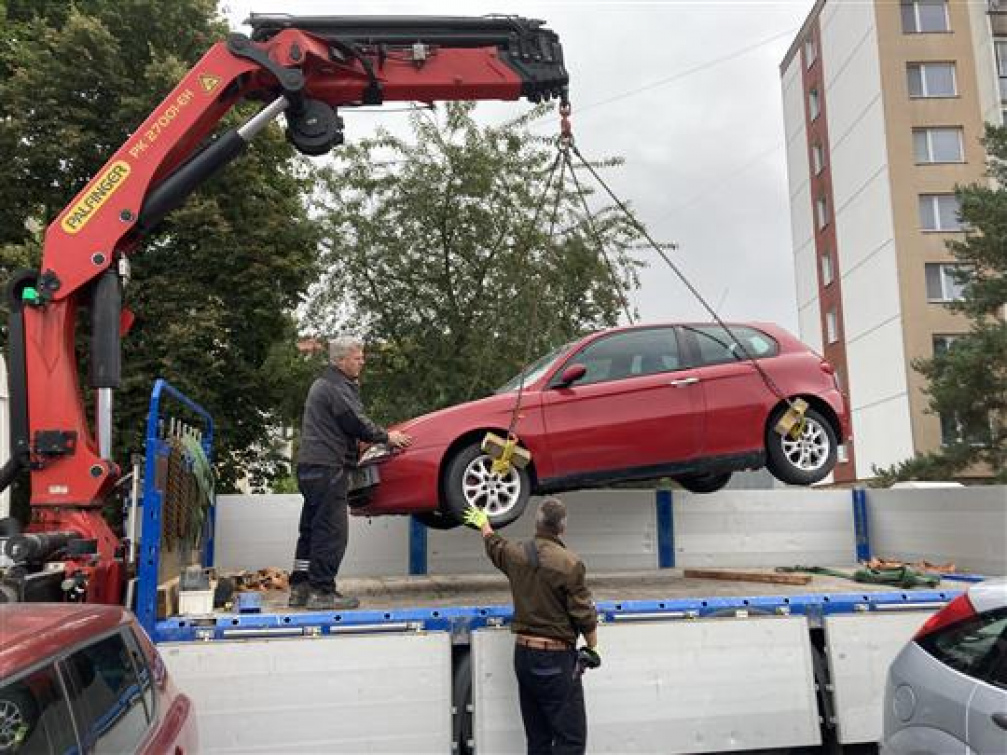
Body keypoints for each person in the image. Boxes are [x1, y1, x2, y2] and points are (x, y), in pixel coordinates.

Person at [465, 498, 600, 755]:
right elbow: (584, 615)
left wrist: (484, 523)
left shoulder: (516, 554)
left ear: (536, 523)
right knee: (570, 740)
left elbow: (495, 546)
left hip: (524, 657)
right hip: (556, 660)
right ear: (563, 527)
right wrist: (593, 647)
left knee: (537, 739)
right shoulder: (570, 564)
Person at [289, 336, 412, 610]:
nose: (362, 362)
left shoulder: (322, 384)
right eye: (358, 358)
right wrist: (386, 437)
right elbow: (355, 421)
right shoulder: (336, 387)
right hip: (329, 467)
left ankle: (300, 587)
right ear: (341, 360)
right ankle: (322, 592)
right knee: (331, 532)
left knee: (311, 529)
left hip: (310, 467)